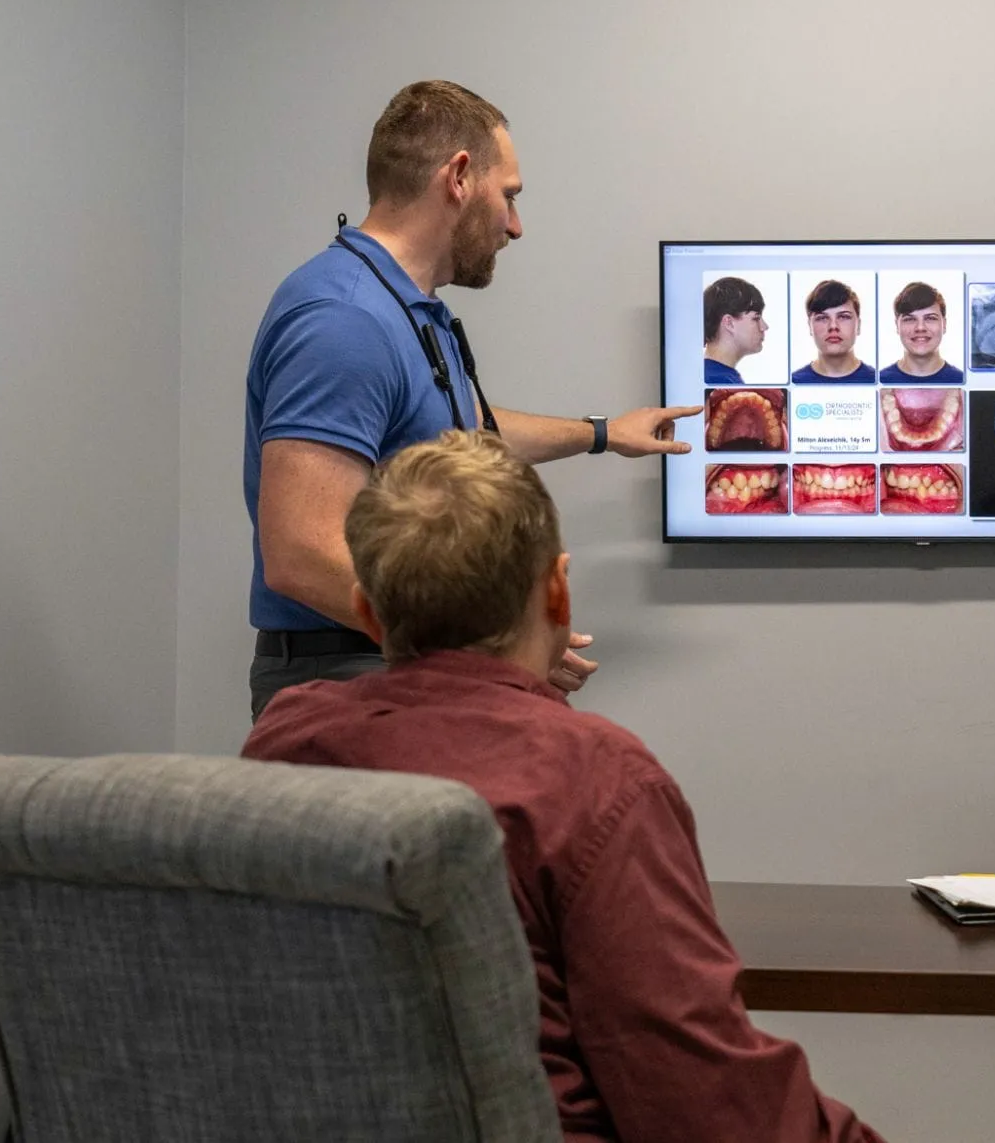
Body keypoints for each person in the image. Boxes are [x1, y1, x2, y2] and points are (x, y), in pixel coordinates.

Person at [243, 431, 884, 1143]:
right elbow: (701, 1097)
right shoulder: (591, 776)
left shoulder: (284, 741)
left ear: (366, 610)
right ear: (557, 589)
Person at [245, 80, 699, 721]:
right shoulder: (344, 319)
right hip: (351, 682)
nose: (515, 226)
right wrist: (488, 649)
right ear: (459, 177)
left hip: (393, 667)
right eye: (508, 197)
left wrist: (603, 434)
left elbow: (456, 430)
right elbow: (299, 553)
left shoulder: (405, 308)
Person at [789, 280, 876, 384]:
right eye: (822, 318)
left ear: (858, 325)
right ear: (810, 326)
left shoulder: (877, 381)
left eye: (843, 317)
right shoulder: (794, 383)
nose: (833, 326)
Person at [877, 282, 964, 384]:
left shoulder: (963, 381)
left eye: (930, 318)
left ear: (944, 324)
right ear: (897, 325)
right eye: (910, 319)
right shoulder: (880, 381)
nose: (920, 327)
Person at [704, 275, 768, 384]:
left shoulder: (712, 376)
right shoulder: (718, 382)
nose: (764, 327)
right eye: (756, 318)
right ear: (729, 323)